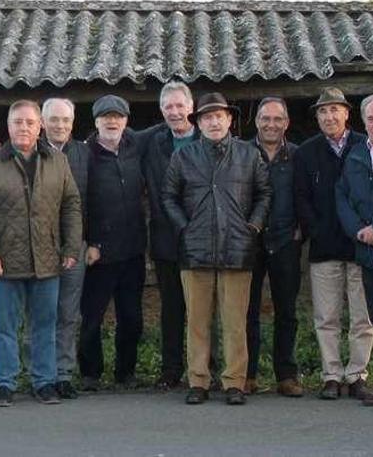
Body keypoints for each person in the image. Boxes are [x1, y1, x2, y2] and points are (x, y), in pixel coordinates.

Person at [0, 99, 82, 407]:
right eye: (18, 122)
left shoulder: (57, 162)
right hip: (5, 261)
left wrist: (71, 247)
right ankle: (5, 383)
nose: (24, 128)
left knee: (45, 325)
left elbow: (71, 204)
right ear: (8, 126)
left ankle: (43, 382)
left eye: (30, 123)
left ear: (39, 126)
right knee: (6, 327)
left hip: (47, 258)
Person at [162, 92, 271, 405]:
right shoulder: (184, 157)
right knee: (197, 320)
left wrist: (253, 226)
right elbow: (168, 196)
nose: (213, 121)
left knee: (235, 321)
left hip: (238, 248)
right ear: (199, 122)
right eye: (206, 117)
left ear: (229, 119)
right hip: (195, 251)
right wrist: (185, 226)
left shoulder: (249, 155)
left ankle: (235, 382)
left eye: (218, 116)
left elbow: (264, 193)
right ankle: (198, 380)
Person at [294, 87, 373, 400]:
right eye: (323, 111)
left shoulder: (362, 145)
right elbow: (301, 197)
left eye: (335, 110)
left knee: (362, 316)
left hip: (362, 246)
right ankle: (331, 375)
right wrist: (316, 229)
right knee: (326, 317)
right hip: (325, 247)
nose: (329, 116)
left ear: (346, 113)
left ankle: (356, 376)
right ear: (317, 116)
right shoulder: (307, 151)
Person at [78, 95, 147, 391]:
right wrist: (89, 241)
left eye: (117, 116)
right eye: (105, 116)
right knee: (92, 317)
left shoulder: (136, 146)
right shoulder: (84, 155)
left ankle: (125, 372)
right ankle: (91, 373)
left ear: (126, 120)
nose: (112, 121)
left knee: (131, 317)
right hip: (99, 252)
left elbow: (164, 129)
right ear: (95, 122)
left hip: (132, 250)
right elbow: (77, 202)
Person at [141, 81, 203, 389]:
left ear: (191, 107)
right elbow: (114, 139)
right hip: (166, 236)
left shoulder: (208, 136)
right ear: (161, 110)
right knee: (172, 307)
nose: (175, 112)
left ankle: (203, 368)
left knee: (203, 308)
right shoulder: (152, 142)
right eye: (169, 107)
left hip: (204, 238)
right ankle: (170, 369)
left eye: (180, 106)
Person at [245, 97, 303, 397]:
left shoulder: (297, 156)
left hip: (285, 242)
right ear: (256, 122)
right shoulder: (241, 152)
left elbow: (306, 197)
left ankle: (287, 375)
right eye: (265, 119)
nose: (271, 124)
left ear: (286, 123)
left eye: (277, 119)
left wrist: (299, 231)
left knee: (287, 311)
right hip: (249, 243)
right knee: (247, 310)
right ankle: (248, 374)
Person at [38, 97, 89, 398]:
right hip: (40, 245)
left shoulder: (83, 153)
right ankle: (40, 373)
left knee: (69, 313)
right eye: (54, 119)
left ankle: (63, 374)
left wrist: (92, 242)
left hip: (75, 245)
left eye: (65, 120)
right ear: (43, 122)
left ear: (72, 123)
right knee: (42, 312)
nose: (60, 125)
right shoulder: (32, 153)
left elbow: (91, 199)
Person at [335, 94, 373, 406]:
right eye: (372, 119)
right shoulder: (356, 155)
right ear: (364, 122)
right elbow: (343, 197)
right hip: (368, 251)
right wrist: (359, 230)